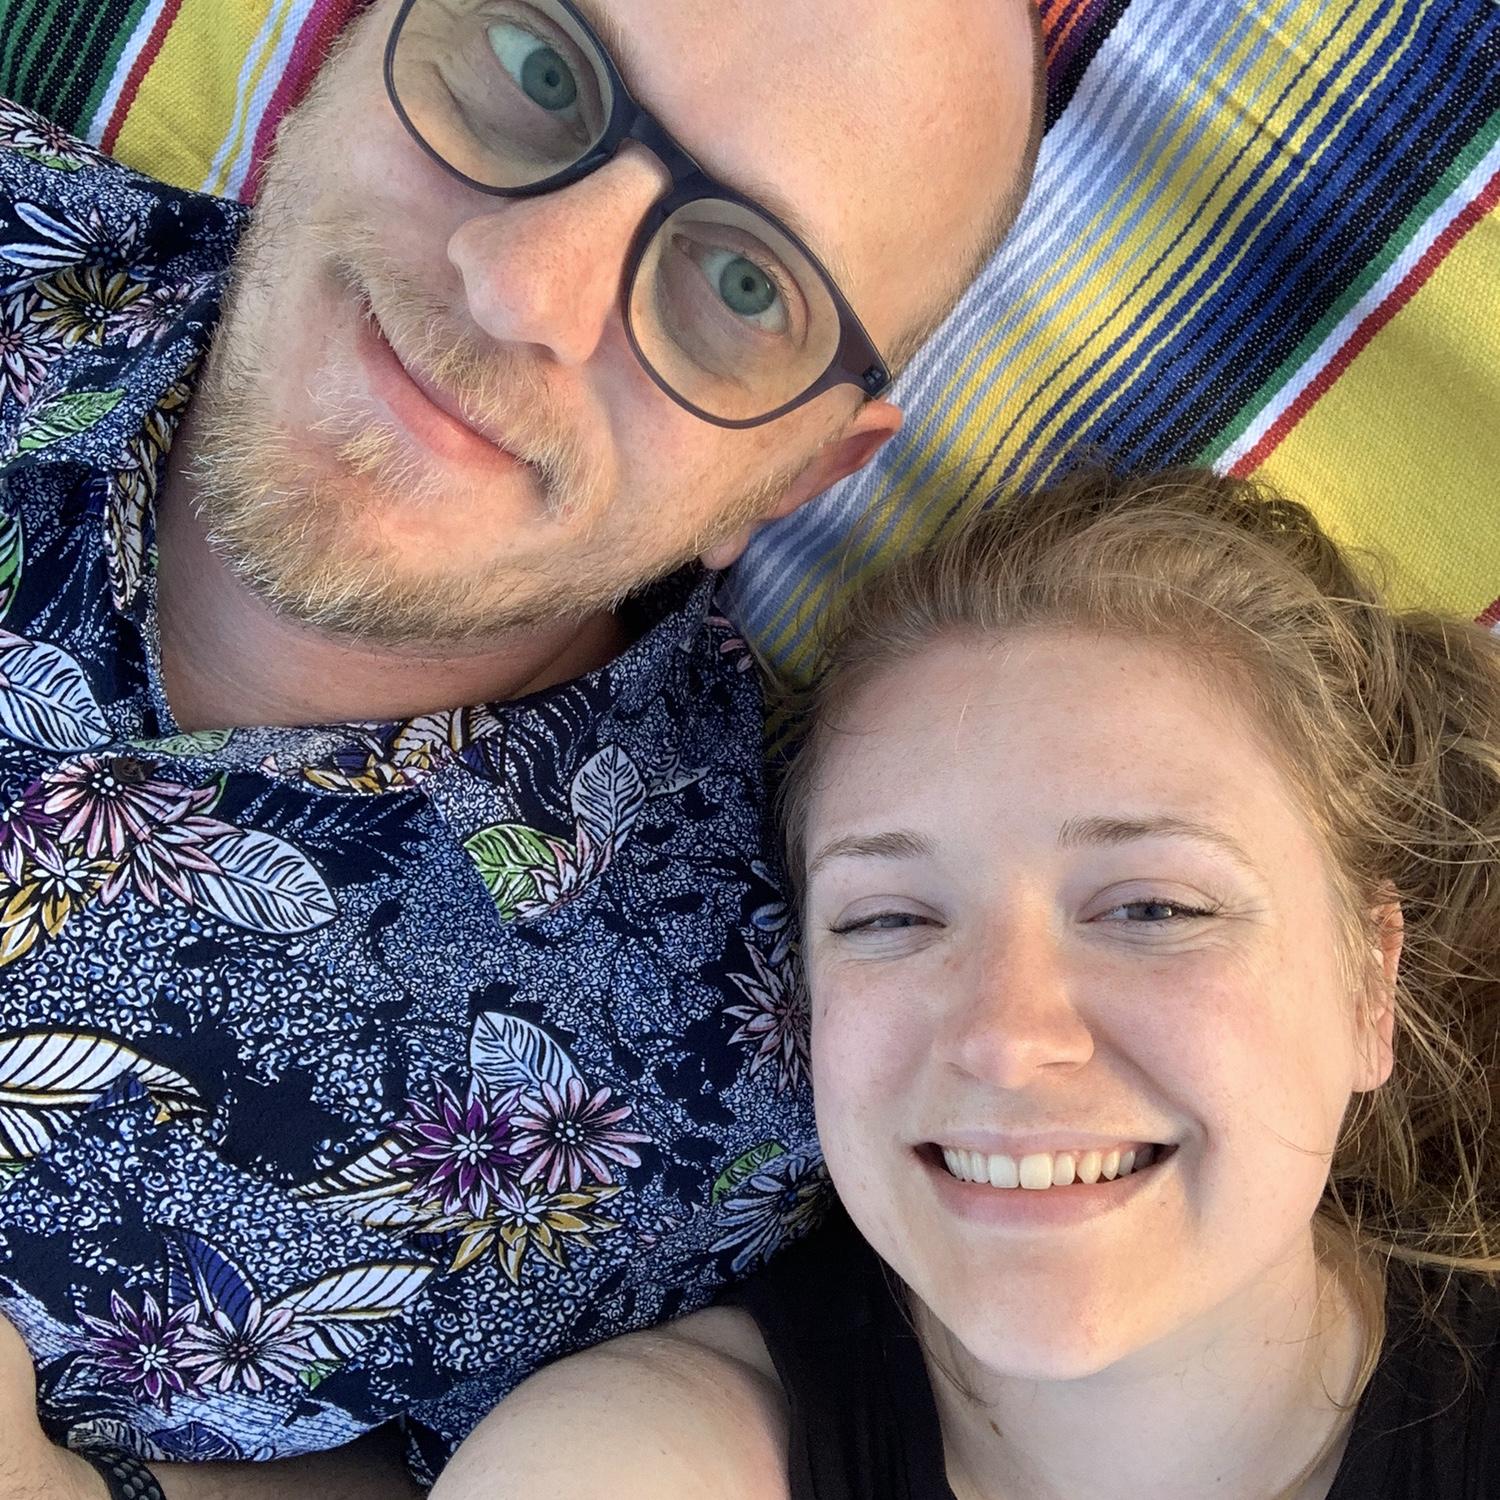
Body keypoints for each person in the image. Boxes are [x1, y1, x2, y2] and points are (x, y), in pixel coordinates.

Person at [0, 0, 1044, 1493]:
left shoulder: (709, 1113)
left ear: (801, 473)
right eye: (537, 68)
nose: (518, 289)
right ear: (346, 48)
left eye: (743, 285)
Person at [429, 466, 1500, 1500]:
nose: (1004, 1037)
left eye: (1154, 909)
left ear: (1371, 989)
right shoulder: (633, 1457)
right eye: (888, 918)